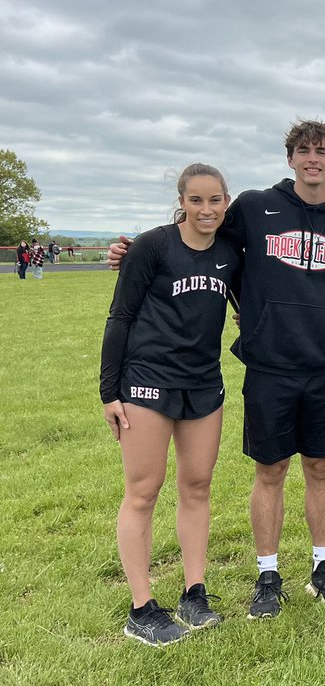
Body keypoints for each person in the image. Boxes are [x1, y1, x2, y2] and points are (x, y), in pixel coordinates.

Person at [110, 120, 325, 616]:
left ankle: (323, 566)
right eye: (303, 150)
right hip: (269, 366)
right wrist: (133, 251)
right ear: (290, 158)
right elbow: (198, 236)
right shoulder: (254, 207)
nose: (313, 158)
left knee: (321, 467)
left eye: (322, 152)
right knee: (270, 469)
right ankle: (268, 574)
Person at [100, 163, 240, 645]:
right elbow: (120, 316)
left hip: (203, 383)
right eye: (196, 200)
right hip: (147, 381)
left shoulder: (230, 253)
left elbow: (251, 302)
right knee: (144, 490)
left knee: (197, 485)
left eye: (215, 200)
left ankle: (194, 592)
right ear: (182, 200)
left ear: (227, 201)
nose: (207, 209)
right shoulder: (153, 246)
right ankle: (141, 608)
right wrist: (109, 392)